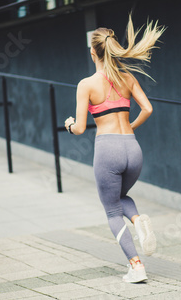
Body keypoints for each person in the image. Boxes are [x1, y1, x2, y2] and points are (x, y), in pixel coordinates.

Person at [64, 15, 165, 283]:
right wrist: (130, 126)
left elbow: (81, 128)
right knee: (122, 197)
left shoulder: (86, 85)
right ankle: (138, 220)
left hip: (108, 149)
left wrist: (70, 124)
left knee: (111, 210)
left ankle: (136, 266)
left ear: (92, 53)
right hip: (133, 148)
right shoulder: (128, 77)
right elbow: (149, 108)